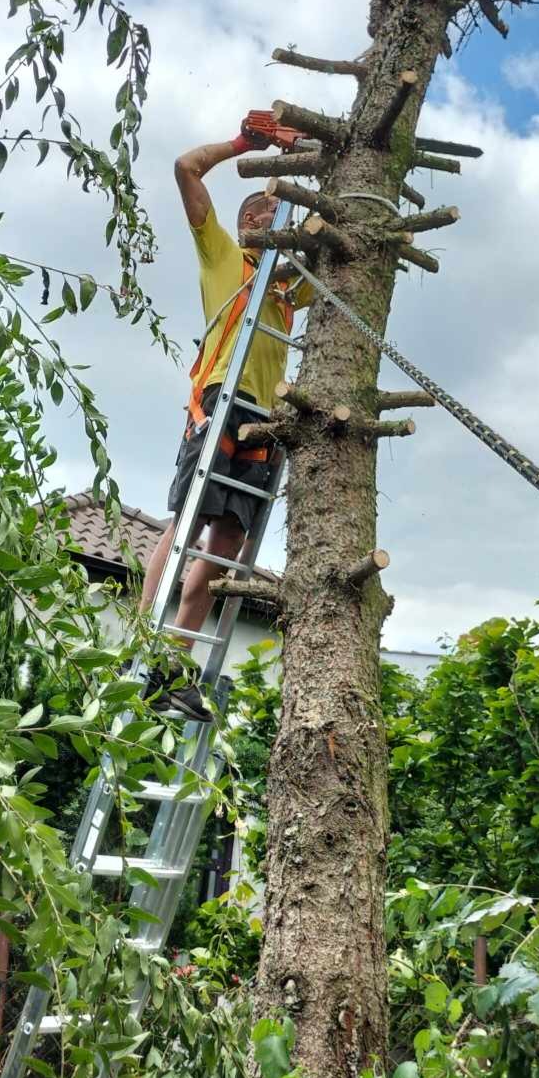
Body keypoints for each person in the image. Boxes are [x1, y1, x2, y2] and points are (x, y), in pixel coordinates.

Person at [141, 115, 309, 719]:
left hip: (266, 420)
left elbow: (334, 246)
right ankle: (144, 645)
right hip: (220, 400)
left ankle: (175, 668)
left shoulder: (288, 289)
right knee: (187, 526)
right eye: (263, 212)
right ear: (245, 225)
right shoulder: (223, 256)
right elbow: (186, 167)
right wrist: (244, 146)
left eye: (279, 213)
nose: (272, 218)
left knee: (225, 548)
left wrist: (307, 167)